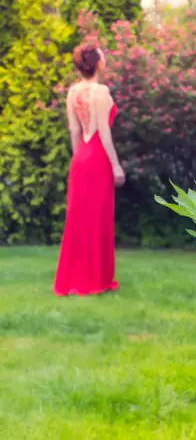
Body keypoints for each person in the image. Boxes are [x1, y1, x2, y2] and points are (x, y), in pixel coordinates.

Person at [54, 44, 125, 296]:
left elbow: (74, 131)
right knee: (98, 218)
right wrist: (116, 166)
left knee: (78, 219)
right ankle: (98, 280)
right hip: (98, 158)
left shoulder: (72, 92)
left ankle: (74, 280)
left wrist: (78, 160)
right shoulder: (102, 92)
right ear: (98, 63)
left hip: (81, 158)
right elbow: (104, 133)